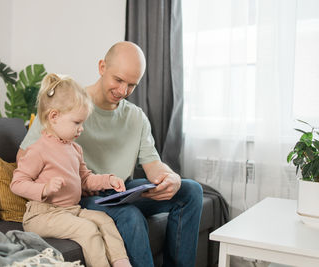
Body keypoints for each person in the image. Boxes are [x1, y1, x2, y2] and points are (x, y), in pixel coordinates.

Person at [18, 42, 203, 267]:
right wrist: (59, 182)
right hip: (84, 195)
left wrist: (170, 178)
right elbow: (24, 158)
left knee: (191, 190)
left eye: (132, 85)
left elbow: (153, 164)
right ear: (102, 66)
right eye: (118, 80)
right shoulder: (67, 105)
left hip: (120, 189)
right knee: (129, 215)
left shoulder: (136, 117)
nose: (123, 91)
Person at [10, 73, 132, 267]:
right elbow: (16, 183)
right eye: (77, 123)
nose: (81, 129)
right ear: (54, 117)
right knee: (87, 229)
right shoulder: (38, 150)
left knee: (105, 220)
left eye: (82, 123)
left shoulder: (75, 149)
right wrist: (44, 189)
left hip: (70, 210)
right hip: (42, 215)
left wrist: (108, 180)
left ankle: (121, 262)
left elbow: (85, 180)